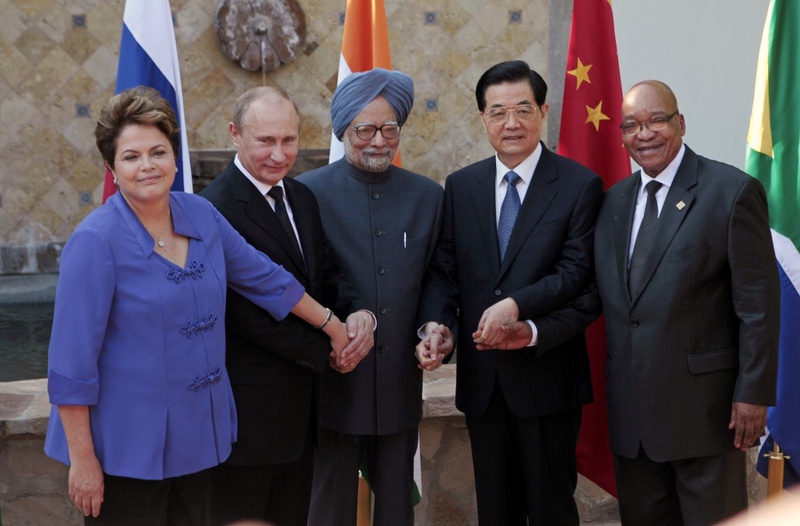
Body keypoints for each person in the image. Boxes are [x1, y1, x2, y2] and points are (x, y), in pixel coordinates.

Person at [44, 86, 352, 525]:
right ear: (112, 166)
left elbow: (267, 279)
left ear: (175, 156)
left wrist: (333, 326)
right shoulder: (95, 242)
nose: (148, 165)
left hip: (198, 442)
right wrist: (83, 461)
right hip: (125, 449)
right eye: (132, 157)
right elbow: (71, 367)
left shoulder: (202, 215)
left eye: (159, 151)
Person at [417, 60, 604, 525]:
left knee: (550, 511)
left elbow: (576, 272)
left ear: (543, 111)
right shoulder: (461, 186)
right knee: (494, 513)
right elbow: (445, 270)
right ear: (483, 119)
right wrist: (437, 325)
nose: (511, 123)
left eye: (523, 109)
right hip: (484, 383)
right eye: (498, 112)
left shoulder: (580, 185)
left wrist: (518, 306)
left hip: (548, 378)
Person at [594, 80, 779, 525]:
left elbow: (758, 306)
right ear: (621, 135)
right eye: (632, 125)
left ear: (680, 123)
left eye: (657, 120)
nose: (645, 133)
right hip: (633, 420)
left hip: (707, 416)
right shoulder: (612, 203)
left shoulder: (731, 192)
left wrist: (752, 395)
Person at [200, 86, 374, 526]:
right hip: (248, 422)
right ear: (235, 135)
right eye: (266, 141)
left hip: (303, 416)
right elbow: (241, 314)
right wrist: (327, 351)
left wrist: (356, 314)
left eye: (289, 140)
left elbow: (326, 276)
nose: (280, 155)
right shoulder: (213, 208)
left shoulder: (300, 197)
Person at [296, 68, 444, 526]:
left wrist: (434, 327)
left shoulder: (428, 197)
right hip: (334, 380)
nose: (378, 140)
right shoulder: (307, 194)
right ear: (343, 131)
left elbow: (439, 278)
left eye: (389, 129)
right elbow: (303, 283)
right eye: (365, 129)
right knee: (329, 507)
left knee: (396, 506)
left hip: (400, 377)